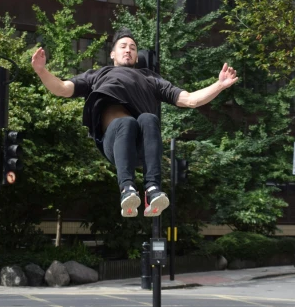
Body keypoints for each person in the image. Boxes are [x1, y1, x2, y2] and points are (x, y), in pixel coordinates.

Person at [31, 28, 238, 218]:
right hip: (115, 141)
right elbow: (62, 88)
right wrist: (42, 71)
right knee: (126, 123)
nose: (128, 50)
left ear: (136, 56)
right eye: (123, 47)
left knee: (149, 119)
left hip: (142, 145)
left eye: (132, 48)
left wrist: (219, 86)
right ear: (112, 53)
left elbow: (190, 99)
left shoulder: (151, 78)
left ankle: (152, 190)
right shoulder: (97, 75)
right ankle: (127, 189)